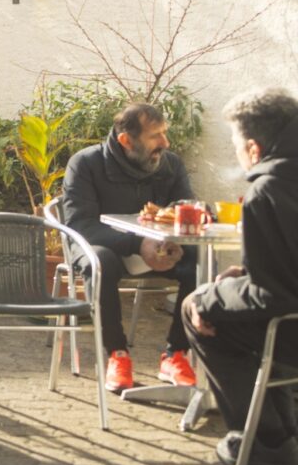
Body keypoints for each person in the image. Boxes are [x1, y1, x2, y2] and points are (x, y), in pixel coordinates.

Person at [183, 88, 298, 465]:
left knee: (198, 310)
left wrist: (209, 298)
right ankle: (284, 433)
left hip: (290, 326)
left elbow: (272, 295)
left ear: (253, 148)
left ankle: (265, 443)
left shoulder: (267, 192)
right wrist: (243, 278)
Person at [62, 102, 199, 393]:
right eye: (155, 136)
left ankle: (176, 354)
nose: (165, 142)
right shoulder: (85, 164)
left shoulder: (170, 163)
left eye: (164, 133)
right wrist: (139, 243)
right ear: (126, 140)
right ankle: (116, 354)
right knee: (100, 262)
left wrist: (172, 237)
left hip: (158, 247)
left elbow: (183, 206)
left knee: (199, 259)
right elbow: (81, 225)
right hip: (102, 246)